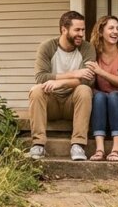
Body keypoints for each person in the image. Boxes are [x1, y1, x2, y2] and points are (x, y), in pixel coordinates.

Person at [28, 11, 95, 161]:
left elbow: (88, 80)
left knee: (85, 90)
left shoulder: (87, 48)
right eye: (77, 30)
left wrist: (60, 82)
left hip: (73, 103)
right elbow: (41, 77)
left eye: (83, 30)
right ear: (64, 29)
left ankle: (78, 145)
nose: (81, 34)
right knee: (36, 90)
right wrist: (75, 73)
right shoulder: (47, 47)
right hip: (51, 104)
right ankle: (38, 144)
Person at [84, 15, 118, 161]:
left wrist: (101, 72)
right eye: (111, 28)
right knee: (100, 96)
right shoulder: (94, 53)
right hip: (103, 98)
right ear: (100, 31)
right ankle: (99, 148)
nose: (115, 32)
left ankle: (117, 148)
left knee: (113, 95)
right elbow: (90, 82)